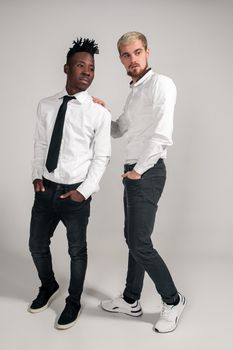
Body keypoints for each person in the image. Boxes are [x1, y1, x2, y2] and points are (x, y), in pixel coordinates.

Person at [100, 31, 186, 333]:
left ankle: (173, 301)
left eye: (137, 52)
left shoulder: (162, 84)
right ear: (120, 59)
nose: (132, 59)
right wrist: (100, 113)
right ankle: (131, 300)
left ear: (147, 52)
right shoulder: (135, 91)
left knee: (139, 241)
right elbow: (119, 128)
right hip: (133, 170)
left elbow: (162, 134)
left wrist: (138, 170)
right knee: (133, 239)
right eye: (126, 55)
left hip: (147, 172)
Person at [28, 37, 111, 330]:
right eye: (80, 65)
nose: (87, 72)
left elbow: (102, 157)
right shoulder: (46, 105)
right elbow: (41, 143)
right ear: (66, 68)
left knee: (77, 250)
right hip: (46, 190)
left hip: (75, 195)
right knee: (36, 244)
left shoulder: (99, 112)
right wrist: (37, 176)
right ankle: (48, 286)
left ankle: (73, 301)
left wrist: (83, 192)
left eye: (91, 68)